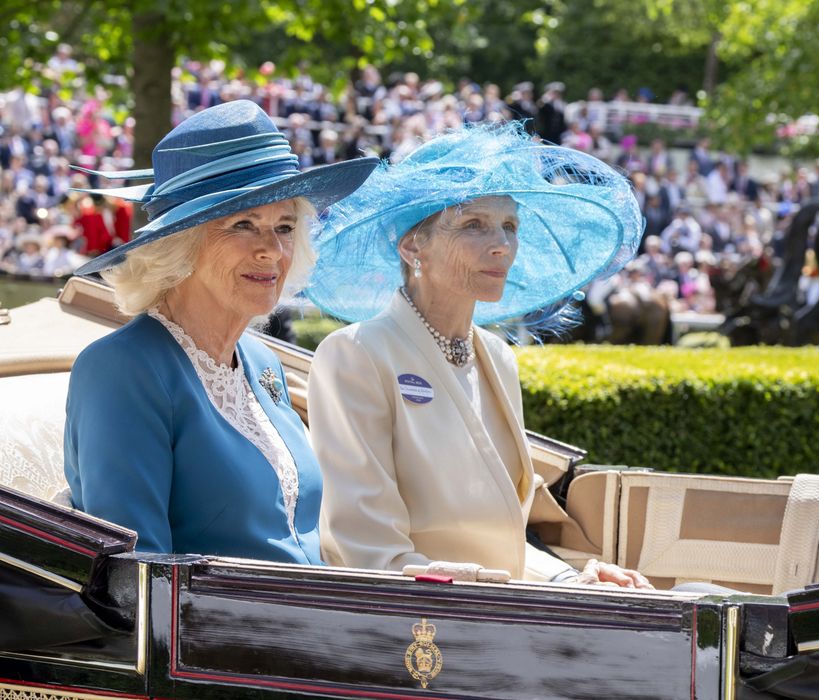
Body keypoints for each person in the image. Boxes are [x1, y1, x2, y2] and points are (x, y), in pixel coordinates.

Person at [306, 122, 650, 586]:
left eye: (510, 225)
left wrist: (569, 581)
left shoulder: (497, 357)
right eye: (474, 224)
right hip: (419, 632)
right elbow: (366, 550)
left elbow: (502, 539)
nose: (502, 245)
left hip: (498, 614)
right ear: (412, 246)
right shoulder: (355, 355)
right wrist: (478, 591)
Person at [63, 101, 379, 561]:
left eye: (285, 226)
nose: (272, 250)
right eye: (243, 225)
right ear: (180, 244)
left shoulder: (261, 362)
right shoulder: (122, 369)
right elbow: (136, 578)